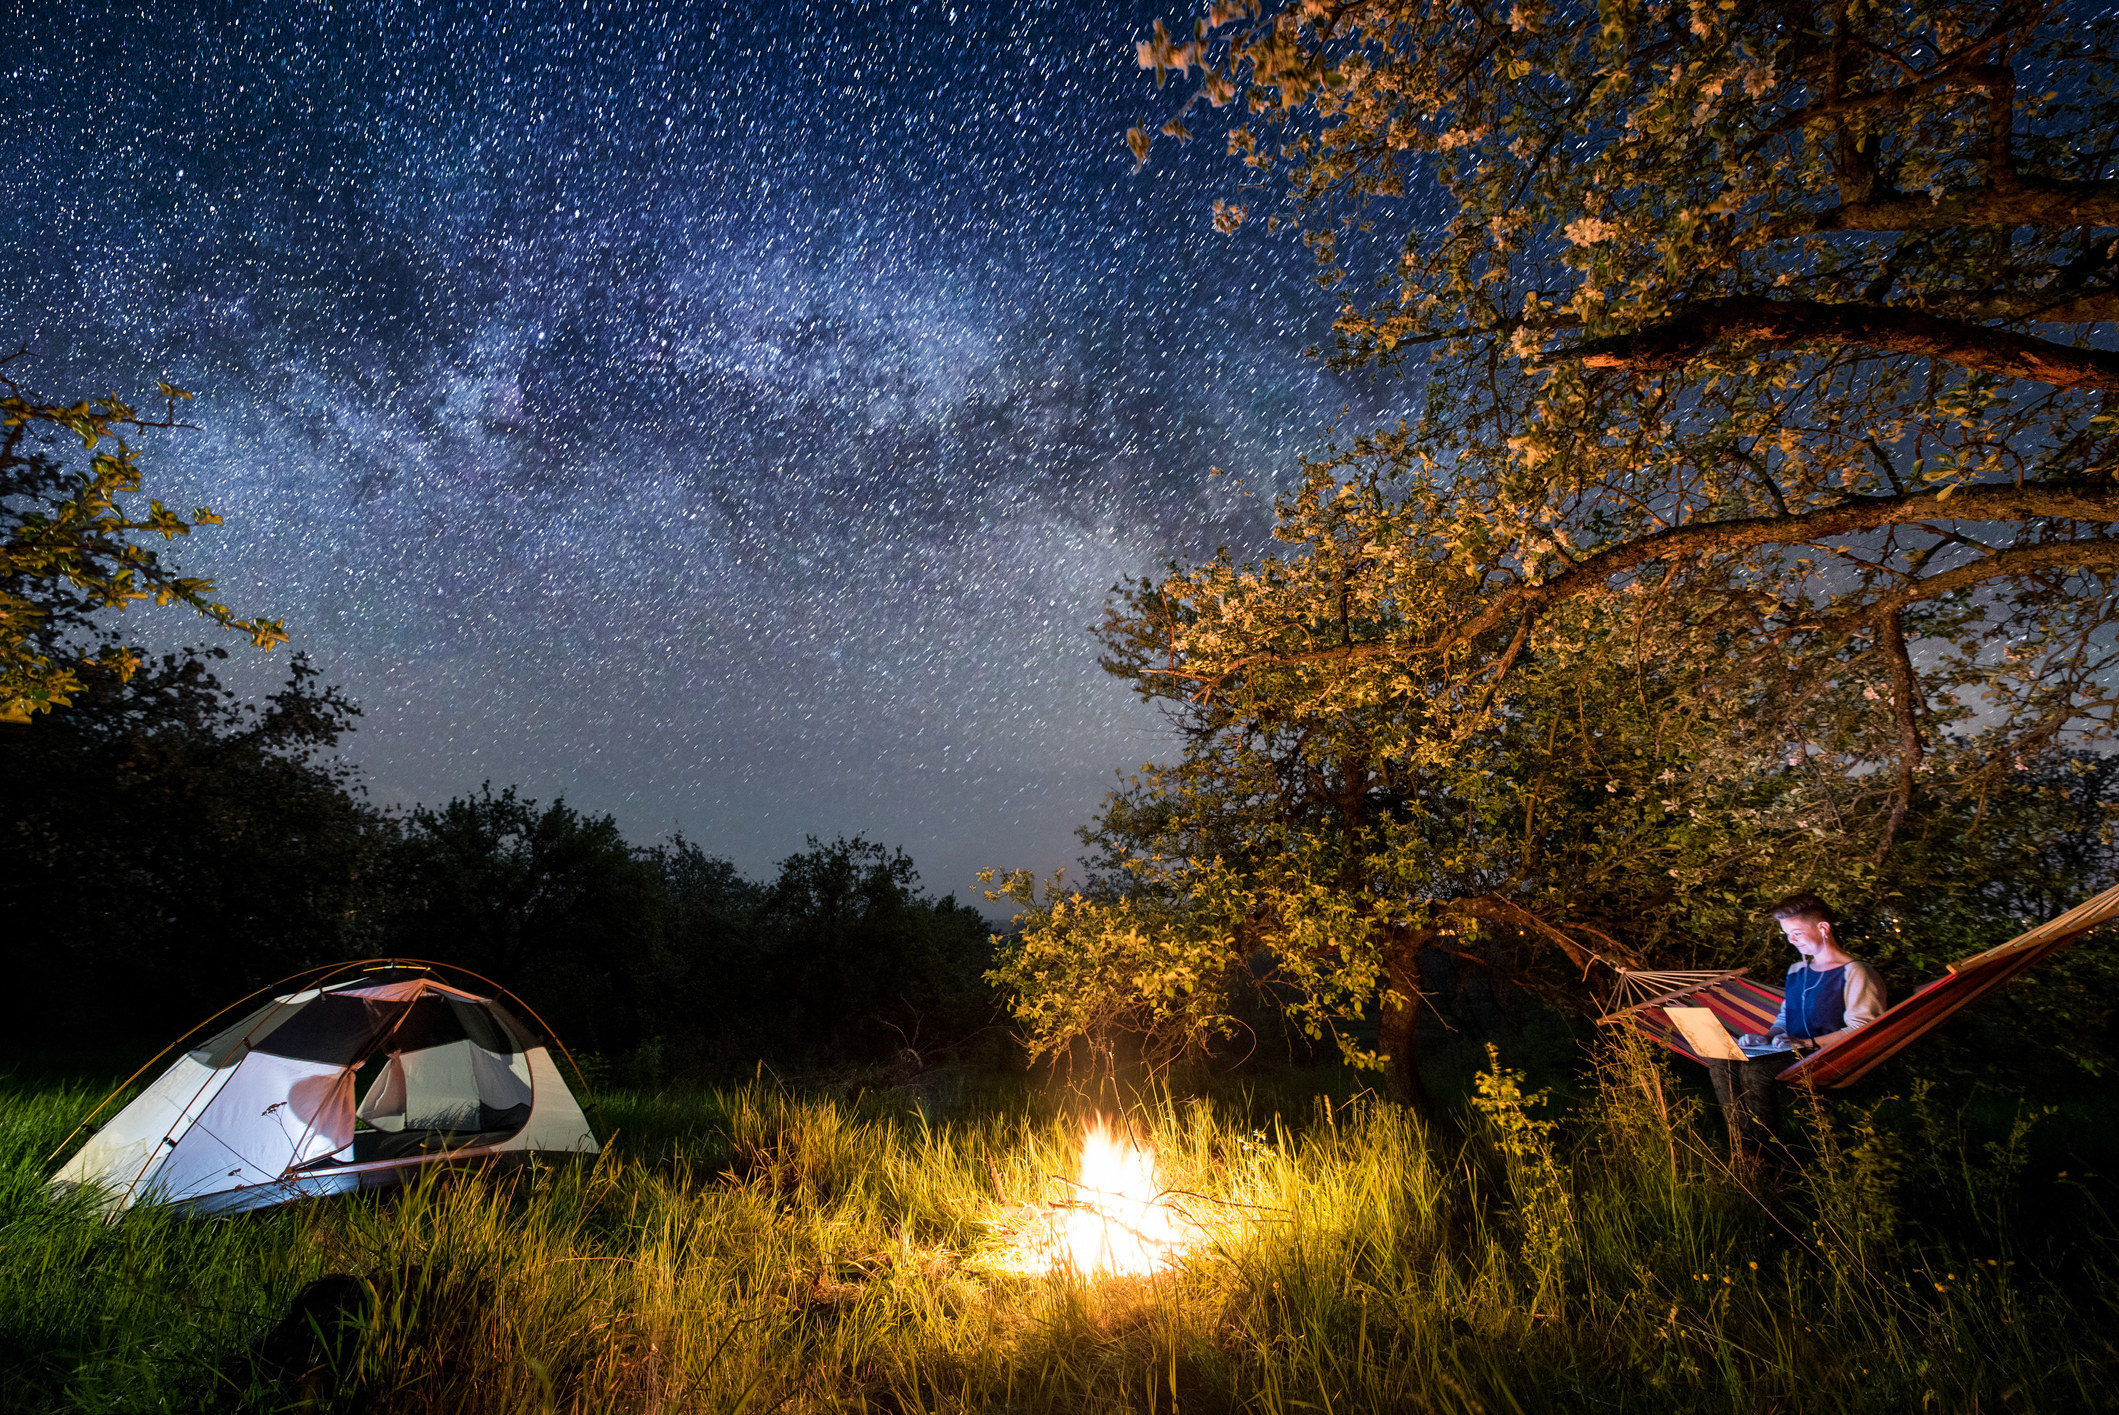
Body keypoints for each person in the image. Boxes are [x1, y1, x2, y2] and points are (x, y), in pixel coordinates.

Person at [1707, 892, 1887, 1159]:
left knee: (1756, 1071)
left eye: (1797, 933)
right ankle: (1744, 1150)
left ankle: (1766, 1156)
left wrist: (1807, 1044)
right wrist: (1767, 1037)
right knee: (1721, 1060)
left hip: (1830, 1055)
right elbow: (1784, 1018)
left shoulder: (1856, 972)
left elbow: (1863, 1029)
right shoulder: (1796, 971)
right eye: (1787, 934)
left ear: (1823, 928)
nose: (1791, 940)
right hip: (1790, 1050)